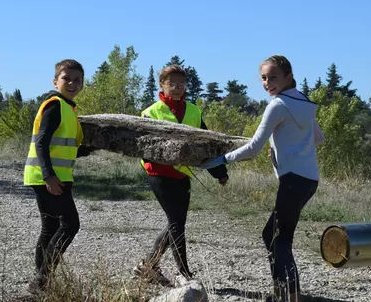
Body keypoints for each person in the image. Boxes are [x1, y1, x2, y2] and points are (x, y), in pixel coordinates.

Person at [204, 55, 325, 302]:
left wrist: (223, 159)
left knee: (279, 238)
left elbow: (253, 147)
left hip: (293, 180)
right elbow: (318, 138)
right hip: (308, 180)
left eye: (273, 77)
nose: (267, 82)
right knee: (273, 234)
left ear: (288, 77)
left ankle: (290, 296)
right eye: (263, 78)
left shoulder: (278, 105)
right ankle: (283, 292)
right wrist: (284, 147)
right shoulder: (302, 102)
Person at [134, 64, 229, 287]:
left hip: (182, 175)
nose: (177, 88)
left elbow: (207, 146)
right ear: (162, 86)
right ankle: (185, 273)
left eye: (181, 84)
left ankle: (148, 265)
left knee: (176, 223)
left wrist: (220, 172)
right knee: (177, 223)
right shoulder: (151, 112)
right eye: (172, 84)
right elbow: (142, 146)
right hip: (159, 173)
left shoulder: (194, 111)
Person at [23, 59, 92, 293]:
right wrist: (49, 176)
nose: (72, 83)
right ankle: (41, 280)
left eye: (77, 79)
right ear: (55, 81)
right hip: (49, 177)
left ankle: (41, 283)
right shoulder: (55, 105)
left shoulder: (68, 108)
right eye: (66, 78)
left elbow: (65, 146)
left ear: (83, 83)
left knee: (50, 227)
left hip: (52, 176)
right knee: (71, 224)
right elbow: (41, 142)